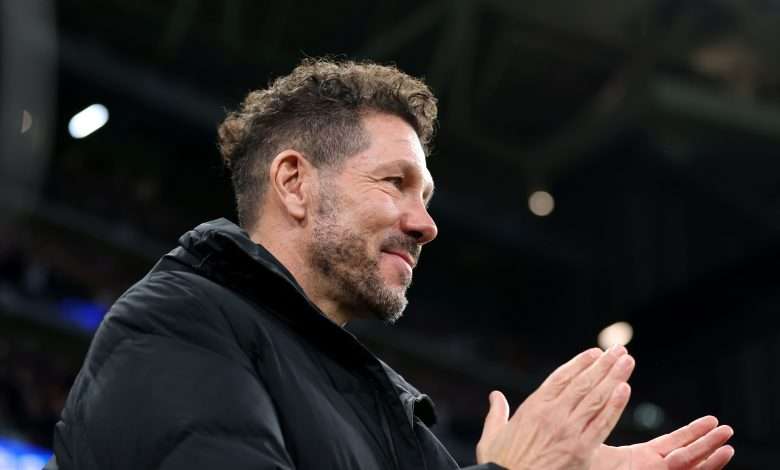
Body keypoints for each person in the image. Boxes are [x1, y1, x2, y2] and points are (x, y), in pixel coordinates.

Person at [47, 58, 735, 470]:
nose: (426, 223)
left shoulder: (382, 412)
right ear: (294, 182)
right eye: (395, 183)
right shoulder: (179, 323)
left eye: (427, 194)